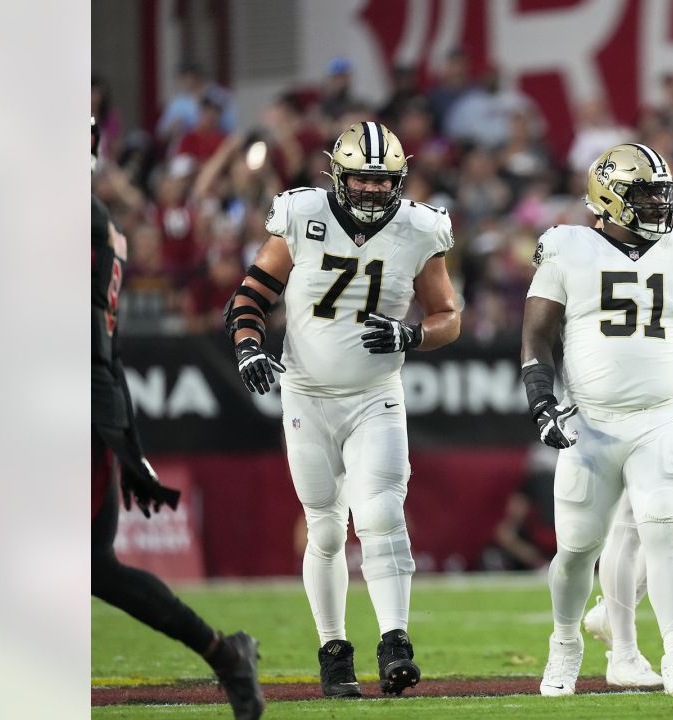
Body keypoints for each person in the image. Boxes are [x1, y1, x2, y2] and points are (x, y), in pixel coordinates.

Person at [225, 121, 460, 698]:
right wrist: (249, 346)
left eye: (385, 182)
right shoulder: (302, 217)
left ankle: (395, 642)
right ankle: (333, 650)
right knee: (325, 527)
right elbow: (250, 296)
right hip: (307, 393)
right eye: (364, 179)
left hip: (376, 395)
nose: (376, 192)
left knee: (381, 514)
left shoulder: (419, 230)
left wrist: (411, 336)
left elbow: (448, 315)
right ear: (338, 175)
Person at [521, 143, 673, 697]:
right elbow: (538, 336)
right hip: (591, 420)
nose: (657, 205)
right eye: (642, 194)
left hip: (661, 416)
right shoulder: (568, 247)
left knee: (663, 531)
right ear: (607, 195)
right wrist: (542, 401)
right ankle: (565, 643)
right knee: (575, 549)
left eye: (661, 193)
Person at [90, 118, 264, 720]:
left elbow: (90, 347)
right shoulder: (97, 225)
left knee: (92, 567)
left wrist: (120, 441)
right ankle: (225, 655)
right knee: (95, 569)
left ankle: (226, 656)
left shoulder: (81, 226)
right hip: (81, 409)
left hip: (72, 416)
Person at [580, 386, 673, 689]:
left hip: (663, 400)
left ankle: (611, 614)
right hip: (618, 402)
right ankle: (624, 655)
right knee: (628, 525)